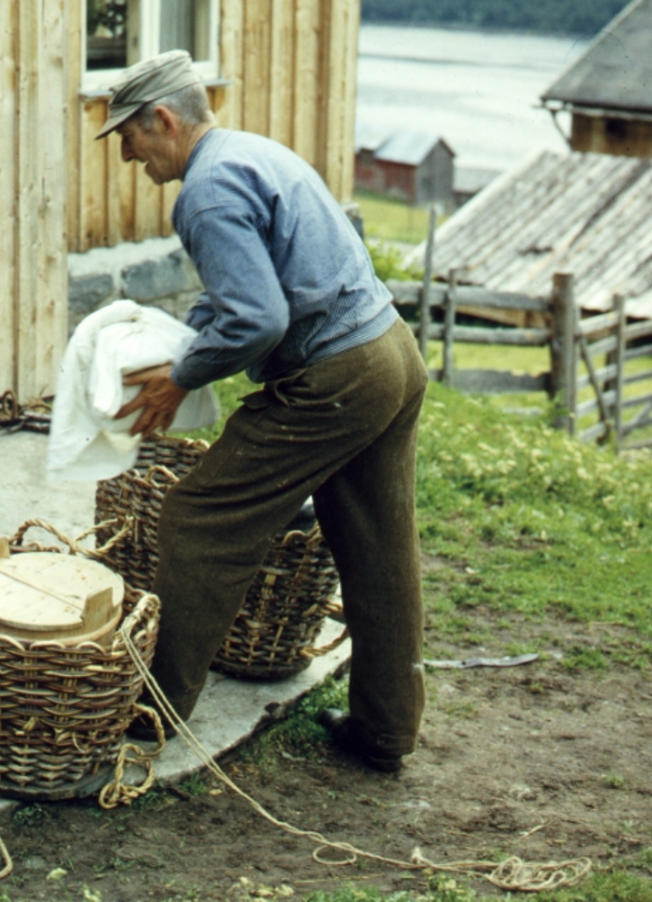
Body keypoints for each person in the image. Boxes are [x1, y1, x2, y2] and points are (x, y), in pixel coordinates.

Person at [98, 50, 429, 772]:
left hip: (338, 374)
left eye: (128, 135)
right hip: (391, 352)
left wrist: (180, 376)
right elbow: (243, 288)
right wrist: (188, 334)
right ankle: (385, 729)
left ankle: (156, 716)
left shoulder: (204, 193)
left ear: (163, 118)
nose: (127, 154)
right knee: (378, 548)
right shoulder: (248, 153)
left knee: (199, 518)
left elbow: (256, 321)